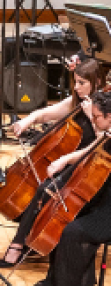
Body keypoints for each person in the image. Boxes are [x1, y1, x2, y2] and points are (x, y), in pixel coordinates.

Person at [0, 57, 103, 268]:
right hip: (70, 163)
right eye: (76, 82)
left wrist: (92, 116)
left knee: (46, 189)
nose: (78, 87)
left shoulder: (103, 107)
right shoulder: (77, 101)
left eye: (83, 83)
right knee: (39, 185)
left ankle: (18, 245)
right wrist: (27, 121)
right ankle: (28, 238)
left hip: (89, 168)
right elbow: (45, 113)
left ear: (96, 82)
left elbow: (103, 141)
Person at [33, 90, 111, 286]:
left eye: (96, 117)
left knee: (72, 231)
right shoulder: (107, 135)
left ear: (110, 116)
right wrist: (63, 160)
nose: (93, 121)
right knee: (61, 221)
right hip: (101, 199)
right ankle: (56, 280)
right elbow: (89, 151)